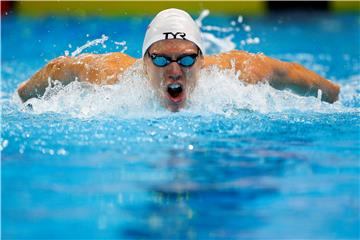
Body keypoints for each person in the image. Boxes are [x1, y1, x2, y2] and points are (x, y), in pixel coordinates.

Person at [17, 8, 340, 112]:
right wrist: (22, 100)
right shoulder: (113, 75)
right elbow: (60, 68)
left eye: (186, 60)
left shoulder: (235, 72)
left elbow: (290, 73)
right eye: (159, 60)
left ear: (202, 60)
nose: (174, 70)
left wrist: (336, 98)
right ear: (143, 62)